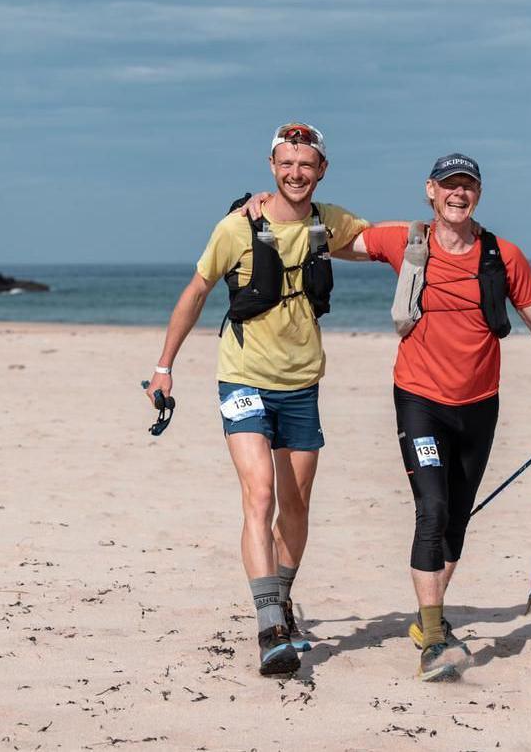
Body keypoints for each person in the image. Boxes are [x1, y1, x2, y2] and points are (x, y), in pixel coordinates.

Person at [345, 154, 531, 681]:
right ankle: (434, 637)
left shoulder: (503, 256)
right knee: (433, 508)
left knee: (456, 522)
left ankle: (427, 620)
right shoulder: (406, 242)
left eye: (467, 187)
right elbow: (340, 239)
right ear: (430, 191)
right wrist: (271, 211)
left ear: (479, 194)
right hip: (418, 399)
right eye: (449, 186)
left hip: (479, 406)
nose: (457, 195)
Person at [144, 123, 368, 677]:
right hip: (243, 378)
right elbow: (195, 292)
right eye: (286, 163)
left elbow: (382, 244)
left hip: (302, 384)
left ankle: (284, 601)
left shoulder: (328, 223)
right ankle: (270, 629)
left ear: (321, 170)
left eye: (306, 164)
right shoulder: (237, 227)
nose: (296, 173)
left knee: (296, 505)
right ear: (271, 166)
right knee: (260, 495)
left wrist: (442, 231)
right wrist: (163, 368)